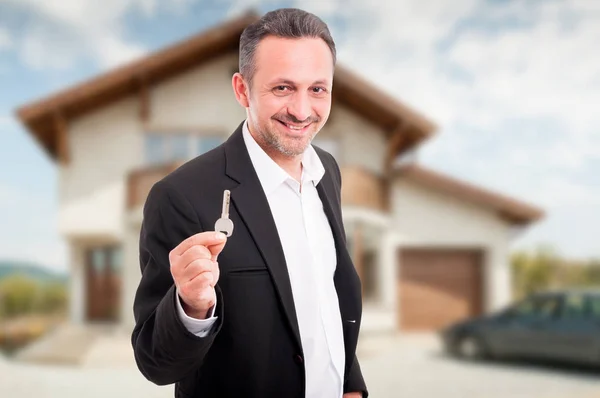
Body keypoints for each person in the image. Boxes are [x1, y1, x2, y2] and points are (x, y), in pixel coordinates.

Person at [131, 8, 368, 398]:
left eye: (317, 89)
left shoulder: (327, 170)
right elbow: (155, 363)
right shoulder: (179, 197)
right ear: (242, 90)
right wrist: (190, 308)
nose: (302, 110)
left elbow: (326, 297)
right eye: (282, 88)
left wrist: (350, 385)